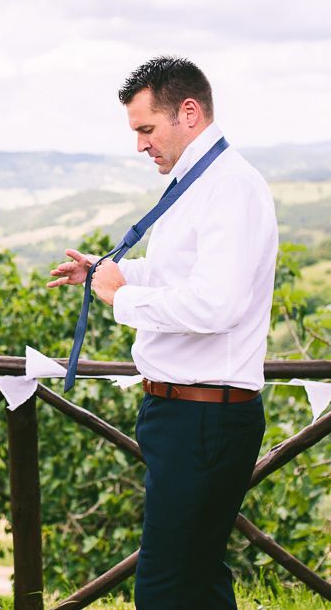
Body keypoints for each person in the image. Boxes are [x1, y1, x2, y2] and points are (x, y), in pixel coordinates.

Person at [48, 57, 278, 609]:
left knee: (163, 588)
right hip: (185, 415)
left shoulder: (230, 187)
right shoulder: (198, 182)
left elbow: (216, 304)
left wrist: (122, 298)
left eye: (146, 129)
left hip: (204, 415)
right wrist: (113, 274)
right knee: (196, 580)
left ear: (190, 113)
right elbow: (184, 277)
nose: (139, 146)